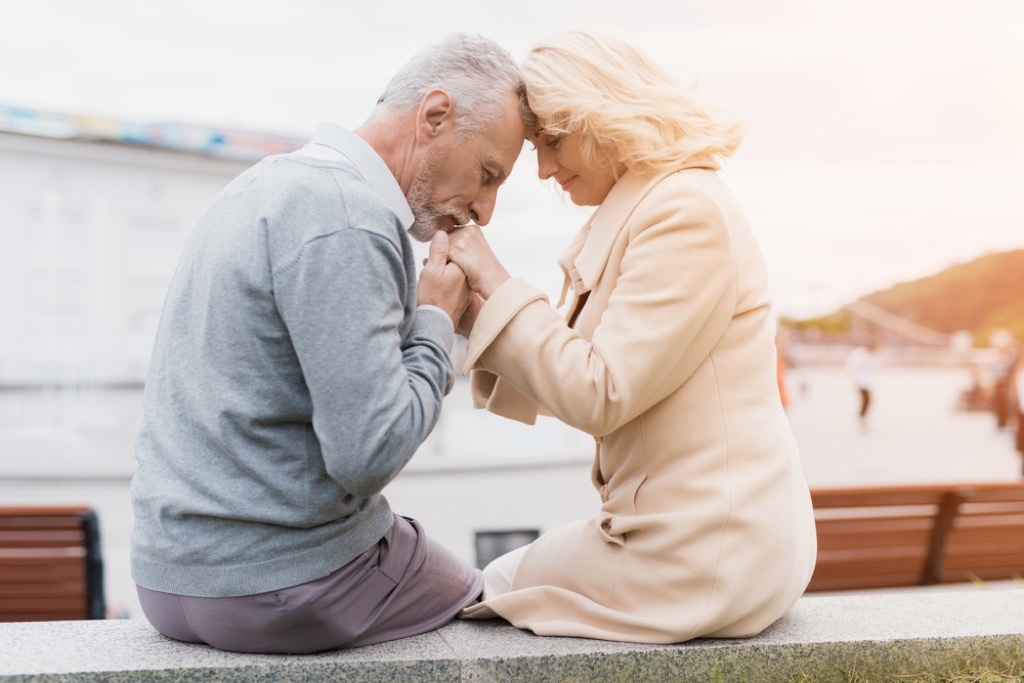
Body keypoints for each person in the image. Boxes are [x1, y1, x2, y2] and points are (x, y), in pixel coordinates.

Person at [130, 34, 531, 654]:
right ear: (434, 115)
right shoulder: (352, 216)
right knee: (498, 604)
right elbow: (367, 456)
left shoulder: (258, 186)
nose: (484, 209)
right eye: (488, 174)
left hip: (165, 584)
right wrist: (434, 321)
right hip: (289, 587)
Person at [446, 30, 816, 644]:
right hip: (726, 540)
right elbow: (583, 368)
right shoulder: (659, 208)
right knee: (498, 583)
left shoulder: (682, 213)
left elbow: (600, 391)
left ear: (600, 116)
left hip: (702, 556)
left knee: (483, 588)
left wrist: (494, 278)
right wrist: (470, 316)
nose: (542, 169)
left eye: (552, 142)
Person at [846, 339, 880, 430]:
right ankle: (861, 417)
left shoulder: (872, 355)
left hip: (867, 381)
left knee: (867, 400)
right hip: (860, 381)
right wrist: (854, 380)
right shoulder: (859, 354)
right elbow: (853, 367)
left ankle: (862, 417)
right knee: (866, 400)